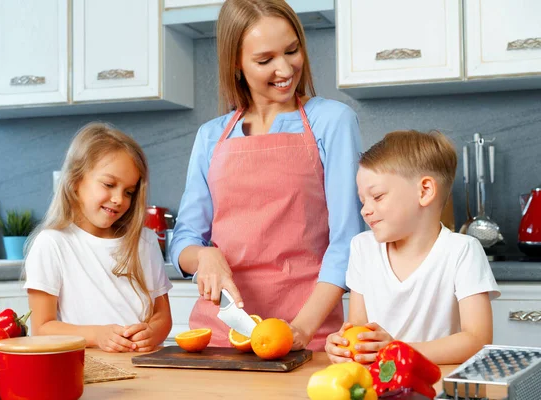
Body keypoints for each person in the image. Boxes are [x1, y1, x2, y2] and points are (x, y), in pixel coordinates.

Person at [169, 0, 363, 351]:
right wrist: (204, 257)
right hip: (218, 337)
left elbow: (347, 241)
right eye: (265, 60)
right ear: (236, 64)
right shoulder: (212, 136)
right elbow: (183, 240)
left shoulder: (332, 121)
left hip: (306, 335)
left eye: (292, 50)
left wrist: (299, 331)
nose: (285, 68)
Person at [325, 130, 500, 365]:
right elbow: (358, 327)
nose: (365, 210)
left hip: (436, 385)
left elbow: (477, 340)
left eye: (377, 196)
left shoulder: (463, 251)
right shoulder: (362, 248)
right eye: (363, 200)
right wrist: (345, 347)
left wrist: (397, 350)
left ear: (425, 191)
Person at [24, 122, 173, 353]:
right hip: (88, 369)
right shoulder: (52, 243)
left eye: (128, 192)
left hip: (145, 368)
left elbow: (162, 315)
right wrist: (97, 335)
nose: (118, 199)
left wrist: (153, 332)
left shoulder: (145, 241)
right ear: (75, 182)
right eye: (109, 184)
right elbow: (42, 328)